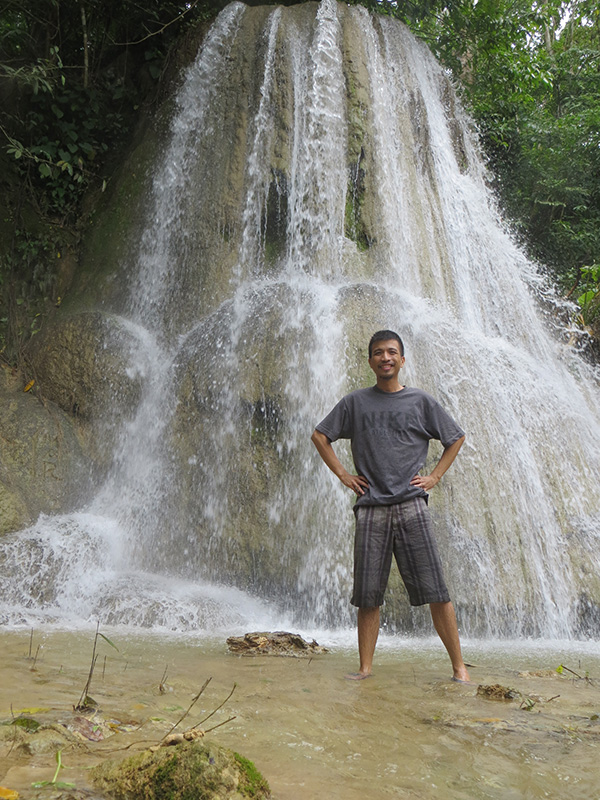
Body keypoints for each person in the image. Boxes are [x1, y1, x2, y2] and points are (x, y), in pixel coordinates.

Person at [311, 330, 470, 683]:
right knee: (368, 595)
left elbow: (455, 437)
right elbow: (320, 436)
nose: (386, 358)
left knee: (437, 591)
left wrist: (434, 477)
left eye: (392, 352)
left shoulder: (420, 402)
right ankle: (365, 669)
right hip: (371, 506)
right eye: (379, 353)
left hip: (412, 504)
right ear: (370, 361)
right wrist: (342, 474)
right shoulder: (355, 402)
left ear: (401, 359)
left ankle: (459, 669)